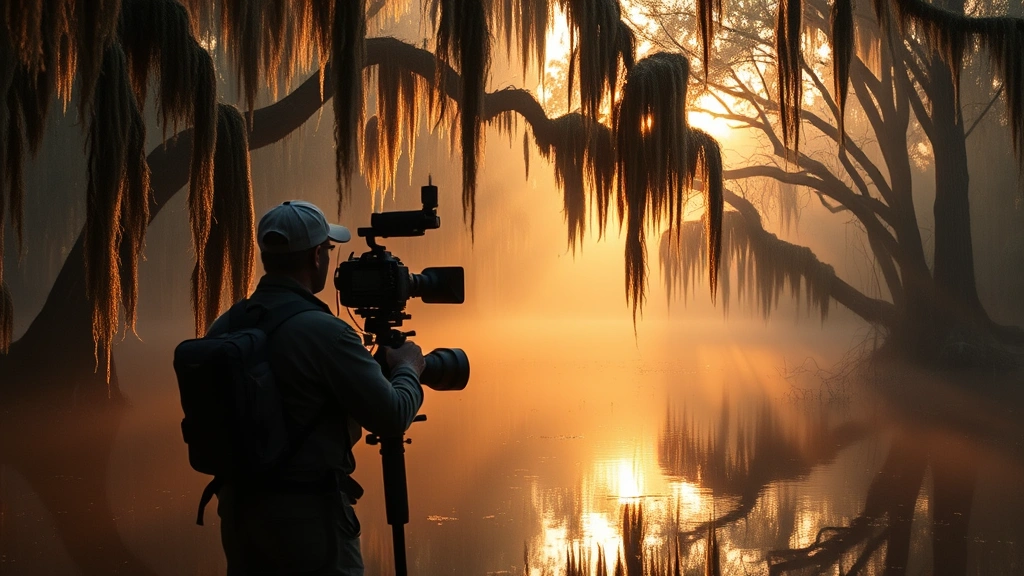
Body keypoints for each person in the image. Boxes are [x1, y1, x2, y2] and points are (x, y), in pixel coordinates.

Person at [208, 200, 425, 575]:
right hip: (310, 522)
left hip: (240, 516)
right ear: (315, 257)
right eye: (327, 248)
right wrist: (408, 368)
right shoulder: (326, 333)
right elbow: (391, 417)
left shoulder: (224, 328)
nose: (327, 256)